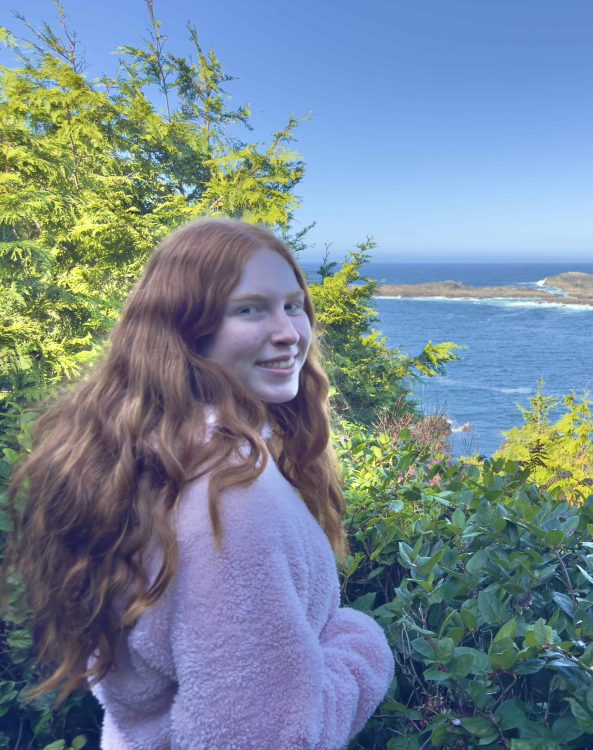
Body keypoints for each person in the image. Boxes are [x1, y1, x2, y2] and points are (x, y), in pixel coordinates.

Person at [7, 218, 394, 749]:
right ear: (189, 332)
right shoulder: (228, 501)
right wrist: (360, 645)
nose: (288, 332)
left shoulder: (153, 456)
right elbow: (263, 738)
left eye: (293, 304)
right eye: (250, 309)